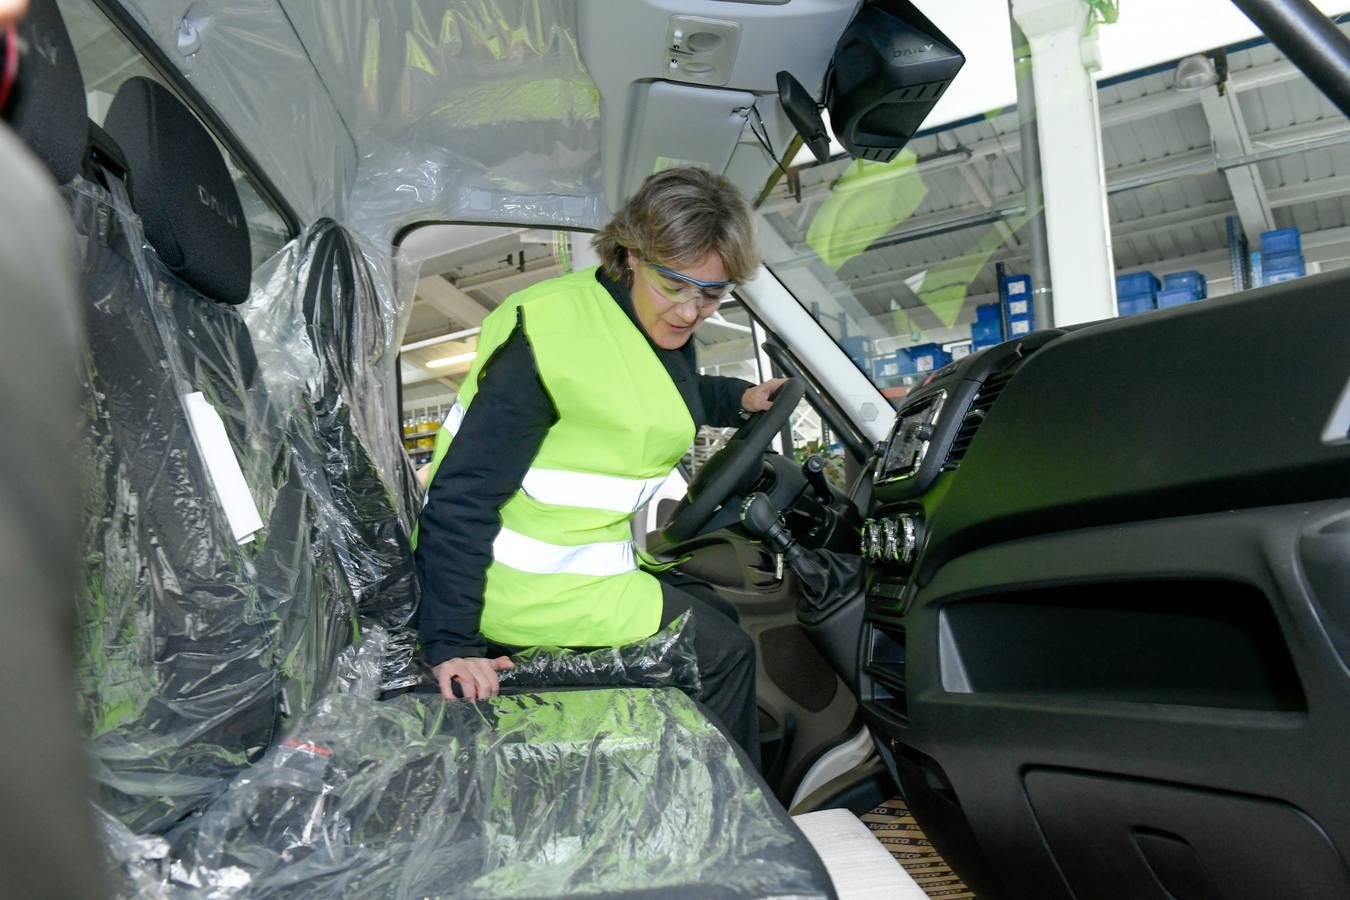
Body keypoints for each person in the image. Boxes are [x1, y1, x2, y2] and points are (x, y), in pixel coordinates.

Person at [414, 167, 783, 763]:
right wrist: (452, 643)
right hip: (520, 593)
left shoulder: (636, 319)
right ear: (633, 254)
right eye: (676, 286)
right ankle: (737, 831)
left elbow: (663, 390)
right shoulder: (554, 335)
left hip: (581, 572)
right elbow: (462, 495)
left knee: (714, 606)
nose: (691, 312)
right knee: (725, 652)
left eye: (711, 294)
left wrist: (737, 400)